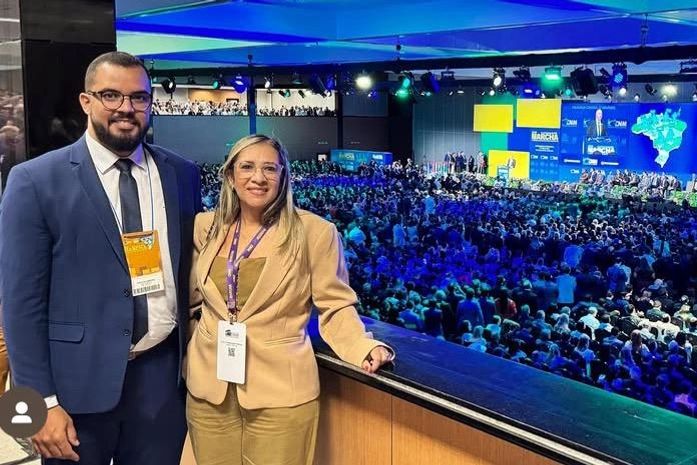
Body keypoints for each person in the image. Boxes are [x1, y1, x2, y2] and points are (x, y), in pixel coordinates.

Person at [0, 51, 201, 464]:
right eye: (111, 95)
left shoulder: (181, 174)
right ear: (86, 101)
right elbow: (21, 305)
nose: (126, 108)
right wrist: (40, 402)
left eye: (139, 97)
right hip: (73, 387)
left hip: (160, 382)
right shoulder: (36, 180)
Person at [185, 134, 394, 465]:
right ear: (230, 176)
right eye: (247, 167)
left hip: (281, 393)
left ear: (283, 176)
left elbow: (335, 304)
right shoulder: (206, 227)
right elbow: (193, 300)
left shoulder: (315, 232)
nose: (258, 177)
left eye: (270, 168)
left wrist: (361, 346)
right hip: (208, 390)